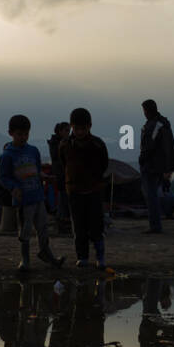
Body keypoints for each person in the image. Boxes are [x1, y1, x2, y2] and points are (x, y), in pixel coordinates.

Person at [0, 114, 62, 272]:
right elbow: (3, 177)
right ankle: (25, 259)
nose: (23, 137)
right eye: (19, 134)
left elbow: (36, 171)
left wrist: (46, 178)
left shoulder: (33, 151)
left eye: (26, 134)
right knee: (25, 230)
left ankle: (46, 253)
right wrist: (13, 188)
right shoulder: (7, 155)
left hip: (38, 197)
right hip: (23, 200)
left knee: (43, 228)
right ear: (11, 133)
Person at [60, 107, 110, 268]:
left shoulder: (98, 144)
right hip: (74, 191)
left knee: (96, 225)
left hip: (94, 190)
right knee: (79, 227)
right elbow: (63, 163)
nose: (80, 132)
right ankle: (82, 257)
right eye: (77, 128)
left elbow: (104, 164)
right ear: (72, 126)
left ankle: (100, 257)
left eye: (83, 128)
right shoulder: (65, 144)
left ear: (89, 126)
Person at [138, 99, 174, 234]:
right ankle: (159, 220)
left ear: (147, 111)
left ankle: (155, 226)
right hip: (161, 166)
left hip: (151, 166)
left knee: (151, 196)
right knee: (156, 194)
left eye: (144, 111)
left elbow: (149, 146)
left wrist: (142, 159)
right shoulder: (163, 124)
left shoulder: (154, 126)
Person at [47, 122, 72, 233]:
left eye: (69, 130)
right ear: (60, 131)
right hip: (61, 174)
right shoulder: (55, 143)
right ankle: (62, 221)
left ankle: (64, 221)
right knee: (63, 198)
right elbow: (56, 157)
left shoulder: (67, 141)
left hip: (67, 173)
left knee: (65, 198)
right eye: (66, 130)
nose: (68, 133)